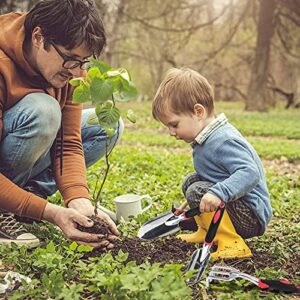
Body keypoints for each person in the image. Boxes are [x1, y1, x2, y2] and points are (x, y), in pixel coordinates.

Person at [0, 0, 123, 249]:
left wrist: (79, 199)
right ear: (38, 37)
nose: (78, 72)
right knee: (43, 111)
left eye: (84, 61)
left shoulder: (70, 72)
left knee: (107, 124)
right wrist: (51, 213)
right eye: (71, 59)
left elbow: (68, 143)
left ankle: (26, 203)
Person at [152, 68, 272, 259]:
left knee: (197, 190)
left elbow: (250, 172)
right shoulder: (206, 138)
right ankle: (207, 231)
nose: (171, 132)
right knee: (191, 181)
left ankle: (232, 241)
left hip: (250, 216)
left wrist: (218, 192)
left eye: (174, 124)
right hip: (235, 207)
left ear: (198, 112)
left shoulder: (223, 139)